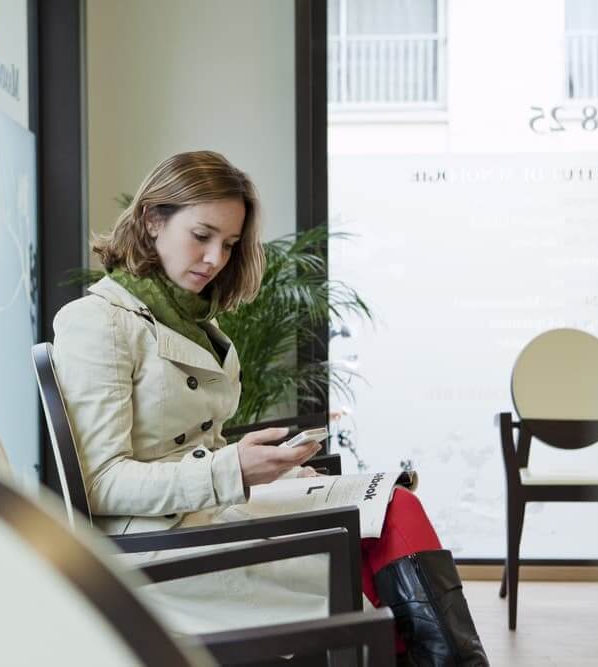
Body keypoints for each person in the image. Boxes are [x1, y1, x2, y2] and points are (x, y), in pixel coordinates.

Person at [52, 151, 488, 666]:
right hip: (157, 553)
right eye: (202, 235)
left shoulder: (189, 321)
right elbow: (99, 484)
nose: (215, 258)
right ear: (152, 220)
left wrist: (270, 469)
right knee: (375, 561)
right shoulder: (95, 321)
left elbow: (196, 448)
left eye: (230, 244)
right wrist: (232, 469)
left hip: (209, 517)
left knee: (393, 507)